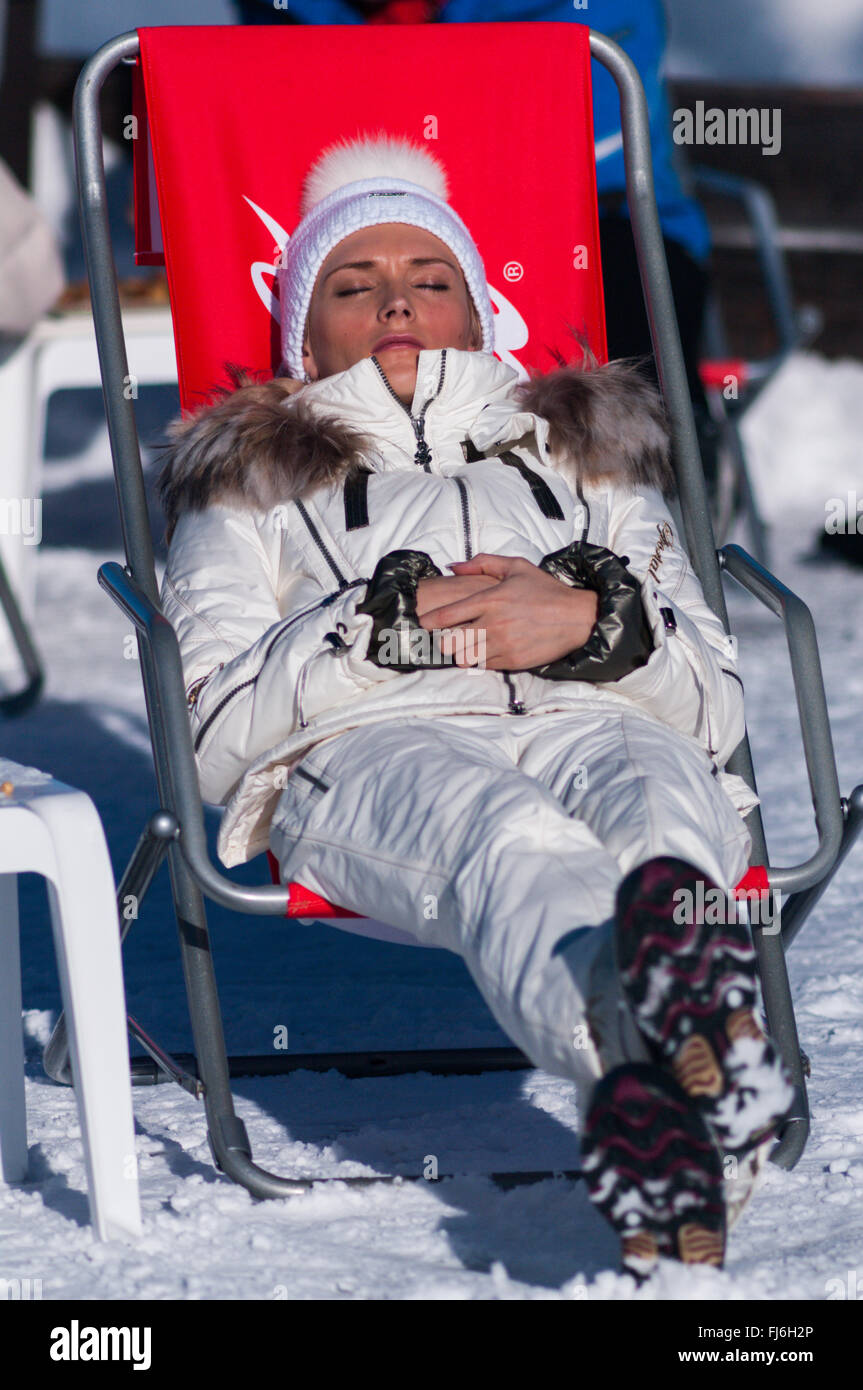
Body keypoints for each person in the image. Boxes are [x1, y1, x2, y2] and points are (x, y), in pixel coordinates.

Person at [156, 135, 792, 1279]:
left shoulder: (589, 452)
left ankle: (667, 1097)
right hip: (367, 748)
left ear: (479, 314)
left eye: (430, 278)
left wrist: (590, 622)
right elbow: (211, 735)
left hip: (604, 720)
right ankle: (695, 1072)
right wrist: (386, 624)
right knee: (511, 836)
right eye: (352, 285)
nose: (395, 299)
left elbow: (712, 698)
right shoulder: (245, 478)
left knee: (657, 804)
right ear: (302, 338)